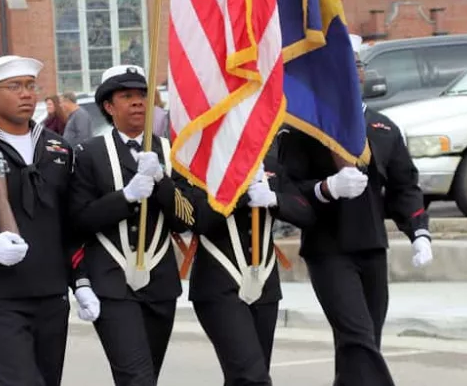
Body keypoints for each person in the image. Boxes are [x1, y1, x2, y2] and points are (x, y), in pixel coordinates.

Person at [277, 34, 433, 386]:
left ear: (360, 74)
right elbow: (288, 191)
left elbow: (404, 186)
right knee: (358, 338)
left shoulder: (383, 127)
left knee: (361, 345)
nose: (350, 74)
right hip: (328, 250)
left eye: (356, 66)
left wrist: (419, 231)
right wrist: (326, 188)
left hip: (372, 248)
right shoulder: (305, 130)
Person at [0, 55, 100, 386]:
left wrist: (80, 281)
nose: (26, 94)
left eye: (30, 86)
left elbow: (69, 225)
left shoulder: (59, 150)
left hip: (52, 295)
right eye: (14, 86)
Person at [66, 64, 193, 386]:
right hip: (111, 281)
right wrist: (127, 196)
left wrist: (163, 181)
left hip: (160, 281)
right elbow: (79, 219)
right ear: (109, 107)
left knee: (147, 374)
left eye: (142, 95)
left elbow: (186, 219)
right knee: (136, 376)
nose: (138, 102)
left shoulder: (173, 153)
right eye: (127, 96)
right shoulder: (89, 153)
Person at [182, 138, 316, 386]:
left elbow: (306, 213)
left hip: (265, 284)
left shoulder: (270, 166)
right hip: (218, 285)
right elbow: (197, 220)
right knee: (252, 377)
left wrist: (275, 199)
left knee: (246, 376)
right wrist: (241, 191)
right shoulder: (202, 167)